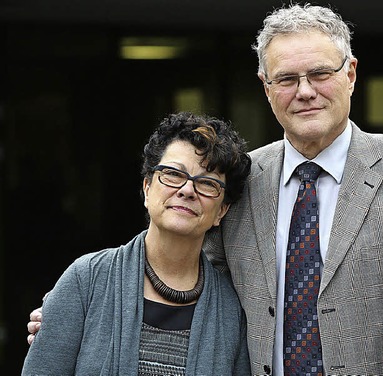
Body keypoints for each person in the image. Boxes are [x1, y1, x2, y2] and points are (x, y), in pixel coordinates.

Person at [27, 3, 383, 375]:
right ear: (265, 87)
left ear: (350, 74)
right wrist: (84, 307)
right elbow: (179, 251)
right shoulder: (239, 180)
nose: (305, 90)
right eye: (287, 78)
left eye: (320, 74)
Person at [22, 112, 251, 375]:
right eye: (174, 174)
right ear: (147, 188)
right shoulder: (86, 280)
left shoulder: (230, 311)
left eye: (208, 183)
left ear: (221, 211)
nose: (187, 190)